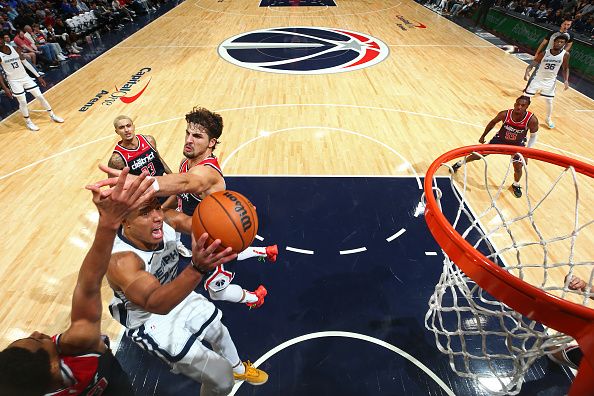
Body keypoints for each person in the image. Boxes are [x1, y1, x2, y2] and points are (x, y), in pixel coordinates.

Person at [0, 168, 155, 395]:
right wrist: (109, 223)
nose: (37, 333)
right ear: (54, 367)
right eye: (38, 342)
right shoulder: (79, 344)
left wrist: (108, 224)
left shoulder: (20, 386)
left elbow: (88, 285)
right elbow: (88, 285)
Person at [105, 107, 276, 308]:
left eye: (197, 136)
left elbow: (185, 184)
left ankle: (254, 298)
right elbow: (179, 193)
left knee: (216, 291)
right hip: (197, 229)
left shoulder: (207, 172)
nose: (189, 140)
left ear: (211, 143)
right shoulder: (186, 163)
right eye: (187, 133)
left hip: (216, 238)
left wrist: (140, 183)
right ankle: (265, 251)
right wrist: (159, 211)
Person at [104, 196, 269, 394]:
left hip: (176, 291)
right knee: (221, 380)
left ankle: (238, 370)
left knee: (219, 330)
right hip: (150, 320)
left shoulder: (167, 221)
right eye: (145, 213)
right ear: (125, 221)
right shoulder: (122, 261)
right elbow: (156, 303)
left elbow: (208, 226)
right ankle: (226, 378)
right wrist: (196, 269)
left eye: (157, 207)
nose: (157, 216)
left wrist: (237, 216)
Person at [452, 96, 539, 198]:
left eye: (522, 105)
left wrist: (526, 153)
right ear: (514, 104)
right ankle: (460, 163)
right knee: (478, 155)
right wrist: (483, 135)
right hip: (500, 140)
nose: (519, 107)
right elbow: (493, 122)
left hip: (517, 144)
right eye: (517, 104)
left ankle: (516, 184)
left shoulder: (532, 119)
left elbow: (533, 136)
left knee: (518, 167)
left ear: (527, 107)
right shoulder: (505, 114)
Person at [0, 37, 64, 131]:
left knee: (40, 96)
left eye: (0, 39)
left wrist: (38, 76)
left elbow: (26, 63)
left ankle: (52, 115)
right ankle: (28, 122)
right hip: (13, 81)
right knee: (23, 101)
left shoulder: (14, 48)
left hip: (25, 77)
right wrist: (5, 88)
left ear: (3, 40)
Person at [524, 34, 570, 129]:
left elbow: (565, 68)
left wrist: (566, 80)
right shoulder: (545, 53)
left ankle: (548, 119)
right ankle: (523, 117)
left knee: (549, 101)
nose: (559, 43)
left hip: (550, 82)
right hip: (537, 79)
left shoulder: (565, 55)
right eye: (557, 41)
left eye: (561, 42)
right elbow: (533, 64)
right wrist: (527, 71)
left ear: (564, 45)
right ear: (554, 42)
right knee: (525, 98)